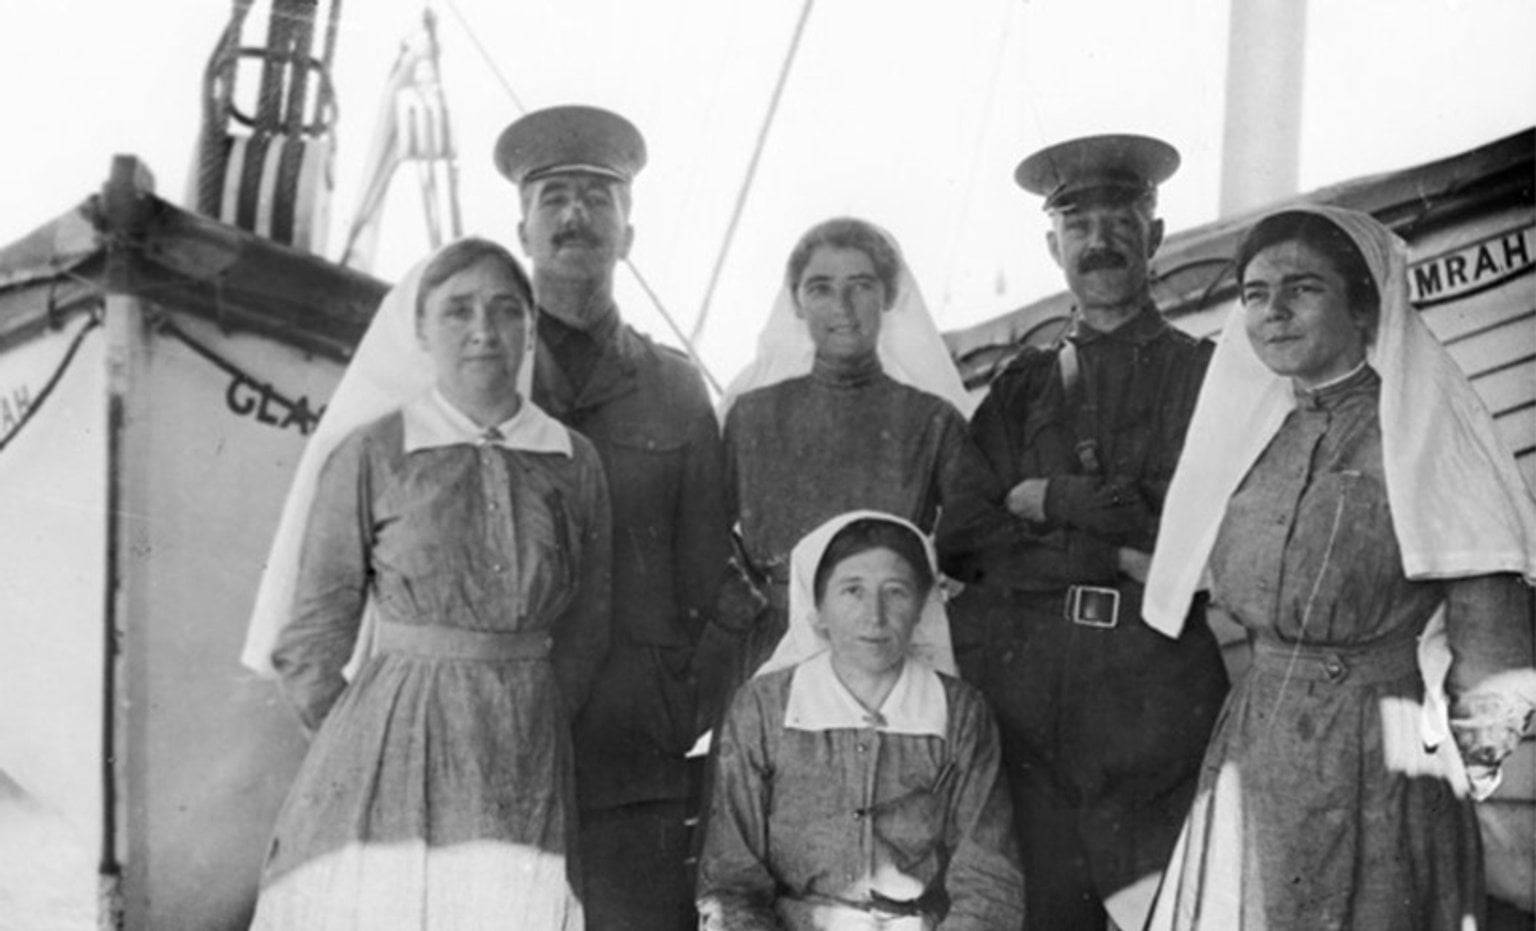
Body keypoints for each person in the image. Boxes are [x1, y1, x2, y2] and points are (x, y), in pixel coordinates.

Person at [1141, 204, 1536, 930]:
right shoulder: (1254, 436)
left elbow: (1493, 622)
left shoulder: (1417, 431)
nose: (1274, 311)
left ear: (1363, 307)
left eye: (1302, 288)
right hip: (1260, 738)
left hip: (1383, 750)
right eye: (1255, 294)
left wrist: (1468, 764)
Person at [241, 238, 612, 928]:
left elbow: (590, 624)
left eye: (505, 309)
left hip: (525, 744)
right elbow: (312, 640)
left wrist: (531, 711)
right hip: (391, 739)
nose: (483, 330)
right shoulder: (374, 452)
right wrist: (368, 741)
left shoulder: (572, 459)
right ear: (420, 331)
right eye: (457, 310)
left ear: (530, 329)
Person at [934, 134, 1229, 930]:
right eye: (1078, 225)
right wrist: (1108, 545)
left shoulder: (1203, 375)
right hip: (1028, 694)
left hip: (1154, 687)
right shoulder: (1022, 386)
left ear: (1154, 236)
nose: (1099, 241)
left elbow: (1194, 524)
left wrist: (1049, 497)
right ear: (1053, 247)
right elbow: (964, 534)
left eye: (1120, 221)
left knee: (1170, 909)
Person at [494, 104, 731, 930]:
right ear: (522, 229)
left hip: (634, 744)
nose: (575, 215)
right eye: (554, 197)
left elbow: (709, 576)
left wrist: (676, 703)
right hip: (499, 728)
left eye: (598, 198)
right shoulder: (482, 376)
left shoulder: (675, 387)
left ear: (628, 233)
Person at [696, 216, 994, 726]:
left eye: (861, 286)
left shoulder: (932, 420)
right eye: (821, 288)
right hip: (773, 647)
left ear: (888, 295)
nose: (842, 306)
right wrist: (744, 604)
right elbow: (702, 530)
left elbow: (978, 546)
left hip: (885, 649)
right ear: (797, 302)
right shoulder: (751, 415)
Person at [697, 511, 1025, 930]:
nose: (875, 616)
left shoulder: (960, 712)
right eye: (852, 591)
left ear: (921, 607)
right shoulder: (763, 708)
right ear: (817, 608)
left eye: (896, 592)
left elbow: (989, 883)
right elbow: (731, 882)